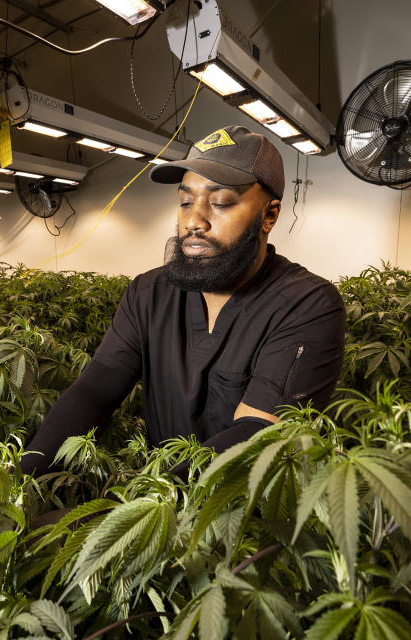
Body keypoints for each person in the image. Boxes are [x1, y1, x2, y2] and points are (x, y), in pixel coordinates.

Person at [20, 125, 346, 477]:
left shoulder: (307, 304)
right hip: (155, 504)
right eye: (185, 201)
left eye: (220, 203)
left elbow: (257, 436)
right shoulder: (149, 292)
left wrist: (133, 511)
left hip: (238, 510)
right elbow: (96, 390)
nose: (193, 221)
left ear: (269, 215)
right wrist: (23, 481)